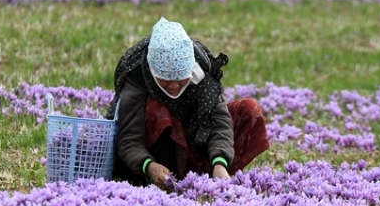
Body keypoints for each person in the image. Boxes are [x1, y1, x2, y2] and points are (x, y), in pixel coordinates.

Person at [107, 18, 269, 189]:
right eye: (165, 80)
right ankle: (163, 181)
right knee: (157, 108)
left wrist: (220, 163)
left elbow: (219, 122)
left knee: (249, 110)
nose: (174, 86)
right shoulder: (137, 77)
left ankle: (213, 177)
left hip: (196, 143)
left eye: (181, 79)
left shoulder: (202, 72)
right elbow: (129, 138)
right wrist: (148, 166)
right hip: (158, 158)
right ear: (154, 72)